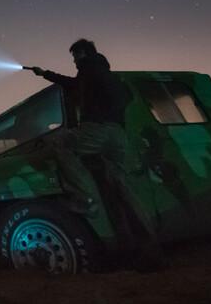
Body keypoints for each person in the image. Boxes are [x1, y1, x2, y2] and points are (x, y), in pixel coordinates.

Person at [27, 39, 164, 271]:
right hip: (118, 134)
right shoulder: (106, 72)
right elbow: (122, 97)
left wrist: (97, 117)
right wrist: (45, 73)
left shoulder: (89, 69)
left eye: (74, 55)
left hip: (98, 129)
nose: (73, 60)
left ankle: (84, 199)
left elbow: (74, 85)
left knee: (59, 143)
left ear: (82, 53)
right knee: (121, 191)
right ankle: (149, 254)